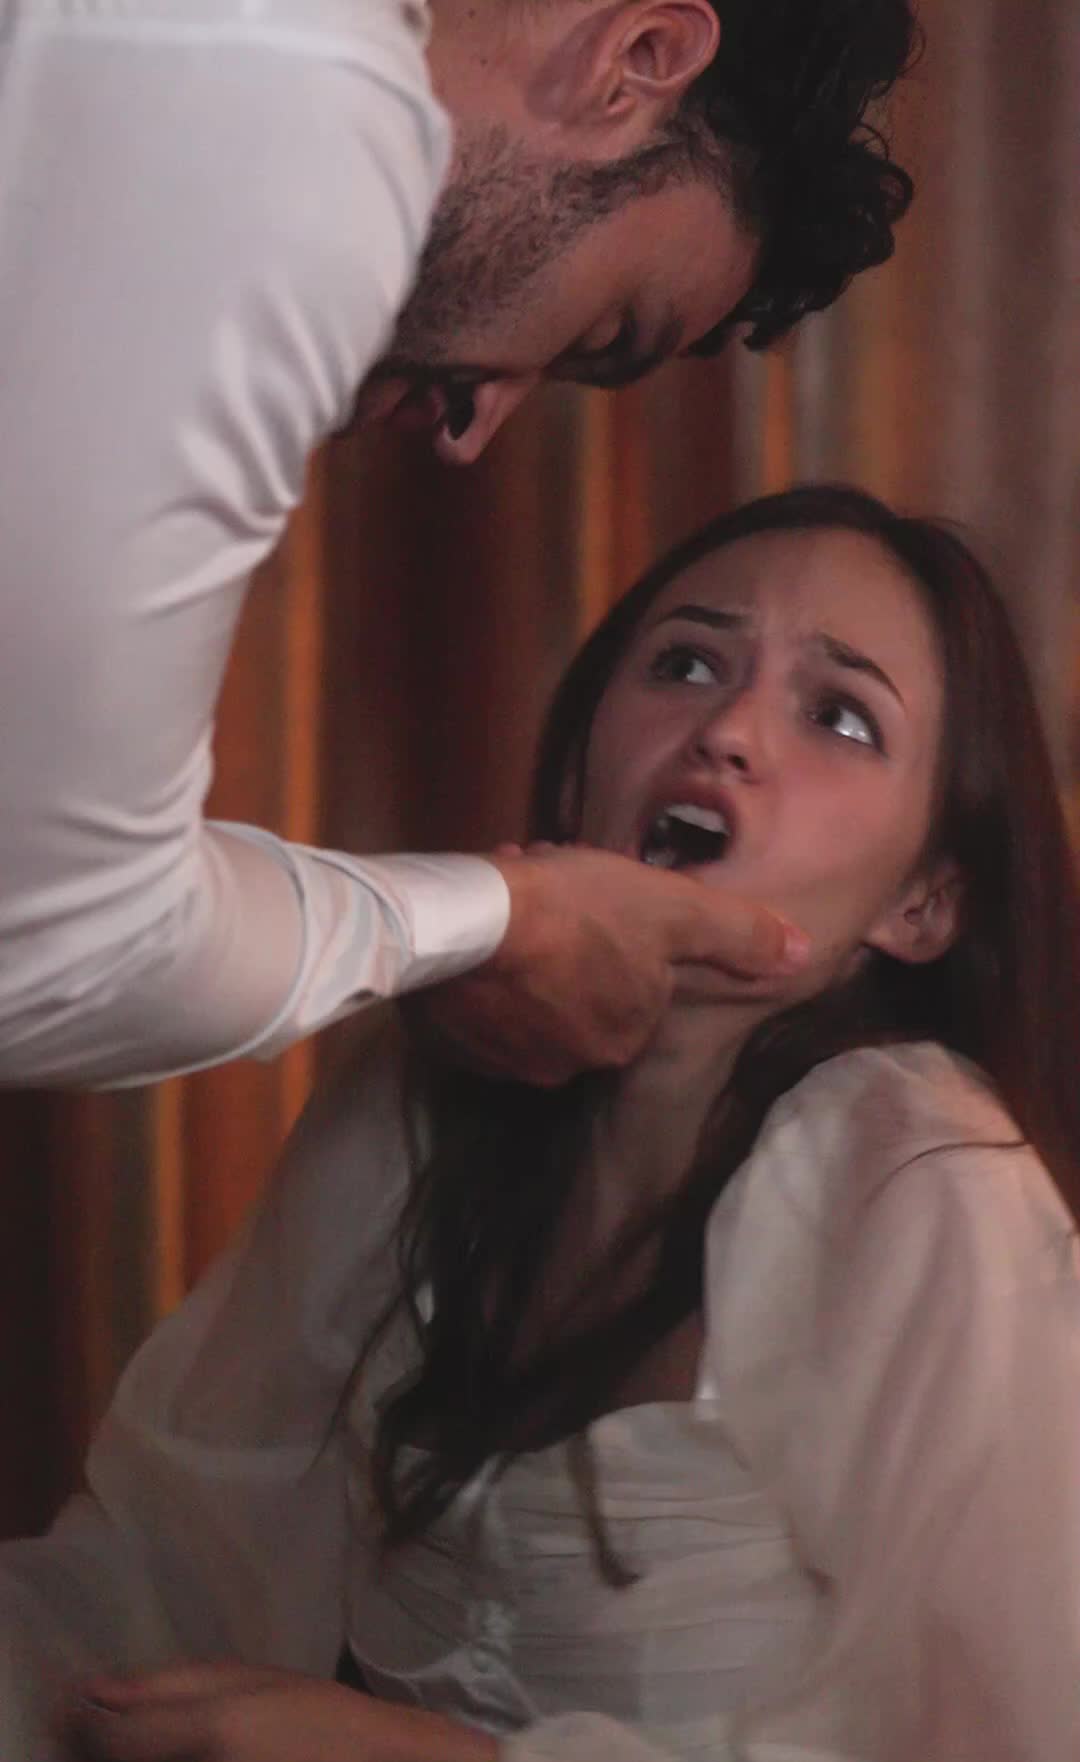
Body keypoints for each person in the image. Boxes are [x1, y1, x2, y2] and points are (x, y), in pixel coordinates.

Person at [7, 483, 1080, 1762]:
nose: (728, 730)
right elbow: (161, 1586)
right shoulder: (422, 1091)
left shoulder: (927, 1181)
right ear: (580, 769)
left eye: (840, 716)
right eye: (686, 662)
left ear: (924, 904)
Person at [0, 0, 918, 1089]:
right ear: (641, 57)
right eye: (605, 333)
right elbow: (55, 953)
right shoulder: (303, 118)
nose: (469, 435)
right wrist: (502, 918)